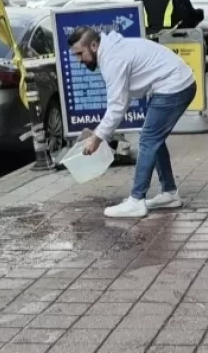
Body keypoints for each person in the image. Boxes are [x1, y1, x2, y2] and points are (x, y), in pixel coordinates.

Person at [70, 26, 197, 219]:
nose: (79, 60)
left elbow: (117, 106)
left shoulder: (112, 59)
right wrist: (100, 133)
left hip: (174, 86)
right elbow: (122, 99)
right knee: (153, 139)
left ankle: (137, 201)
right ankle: (169, 193)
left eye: (80, 53)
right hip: (174, 83)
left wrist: (97, 138)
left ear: (94, 45)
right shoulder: (112, 51)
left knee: (148, 139)